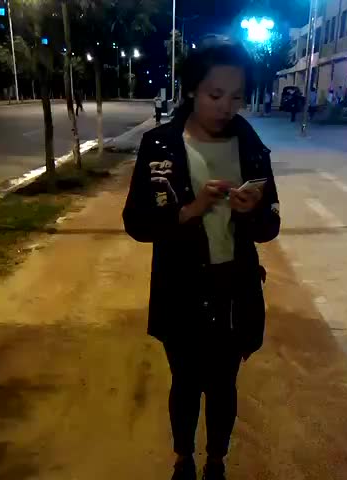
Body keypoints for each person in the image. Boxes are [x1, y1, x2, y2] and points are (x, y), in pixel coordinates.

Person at [123, 36, 280, 480]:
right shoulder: (159, 145)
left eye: (236, 97)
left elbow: (270, 227)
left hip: (234, 288)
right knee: (186, 382)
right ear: (192, 89)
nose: (227, 107)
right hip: (181, 287)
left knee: (224, 384)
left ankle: (216, 462)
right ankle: (183, 459)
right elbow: (137, 223)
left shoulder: (251, 146)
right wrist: (190, 210)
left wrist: (251, 213)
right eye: (215, 95)